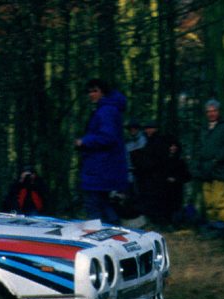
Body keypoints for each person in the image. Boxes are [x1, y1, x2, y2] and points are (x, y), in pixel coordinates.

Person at [75, 78, 131, 224]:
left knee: (95, 207)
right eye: (89, 91)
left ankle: (105, 234)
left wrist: (85, 141)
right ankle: (115, 232)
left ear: (103, 92)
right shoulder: (106, 109)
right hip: (102, 168)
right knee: (104, 205)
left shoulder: (106, 111)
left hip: (101, 168)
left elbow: (108, 137)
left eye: (95, 91)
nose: (91, 94)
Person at [131, 124, 190, 226]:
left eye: (174, 146)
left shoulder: (179, 161)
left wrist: (175, 179)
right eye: (147, 128)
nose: (172, 148)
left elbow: (186, 176)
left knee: (171, 206)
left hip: (173, 189)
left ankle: (171, 222)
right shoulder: (150, 144)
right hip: (158, 184)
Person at [193, 100, 224, 232]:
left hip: (220, 169)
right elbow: (199, 147)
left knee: (219, 200)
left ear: (219, 111)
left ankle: (223, 225)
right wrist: (198, 165)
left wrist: (216, 160)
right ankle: (212, 224)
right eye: (209, 111)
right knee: (208, 200)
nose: (211, 114)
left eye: (214, 111)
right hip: (205, 169)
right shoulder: (203, 128)